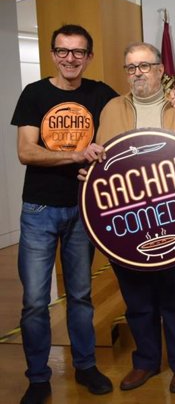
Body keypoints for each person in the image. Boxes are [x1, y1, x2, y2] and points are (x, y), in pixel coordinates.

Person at [81, 42, 175, 395]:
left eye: (145, 66)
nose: (138, 73)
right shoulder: (111, 108)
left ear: (160, 70)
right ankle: (146, 362)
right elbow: (101, 164)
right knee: (136, 298)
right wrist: (89, 173)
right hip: (128, 224)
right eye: (131, 67)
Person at [10, 24, 117, 404]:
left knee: (82, 295)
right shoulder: (34, 94)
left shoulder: (102, 93)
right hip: (39, 210)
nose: (70, 58)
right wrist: (75, 154)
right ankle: (38, 377)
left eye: (78, 52)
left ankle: (85, 365)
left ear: (88, 56)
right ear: (53, 54)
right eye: (62, 51)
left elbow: (134, 117)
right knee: (36, 301)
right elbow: (27, 151)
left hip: (83, 209)